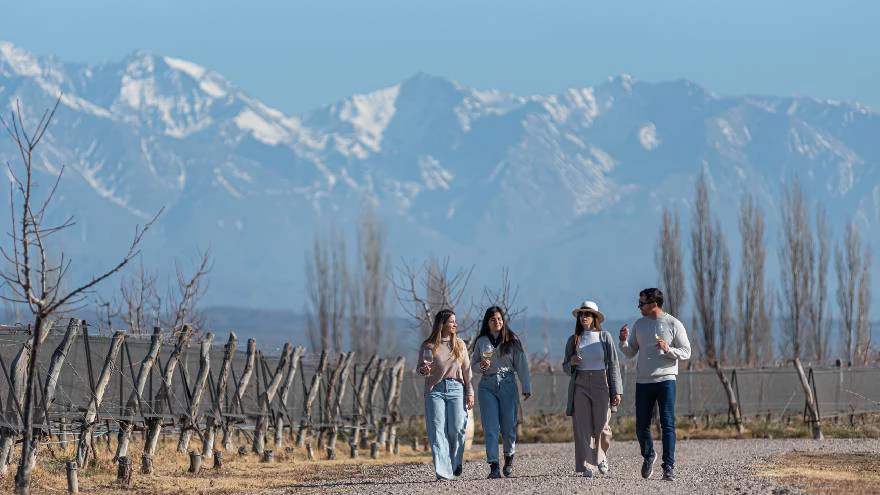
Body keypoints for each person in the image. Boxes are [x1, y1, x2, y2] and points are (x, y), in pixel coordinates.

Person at [618, 288, 691, 481]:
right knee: (641, 425)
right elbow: (630, 352)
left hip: (666, 380)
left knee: (667, 424)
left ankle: (668, 467)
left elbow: (686, 352)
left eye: (641, 303)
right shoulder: (640, 325)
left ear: (653, 304)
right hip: (643, 381)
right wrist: (624, 341)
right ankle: (649, 455)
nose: (639, 306)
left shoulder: (673, 323)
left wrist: (669, 350)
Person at [562, 300, 622, 478]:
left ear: (595, 317)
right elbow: (565, 366)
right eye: (581, 314)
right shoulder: (573, 340)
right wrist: (571, 363)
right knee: (583, 427)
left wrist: (616, 390)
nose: (583, 317)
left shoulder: (605, 337)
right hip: (580, 384)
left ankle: (601, 456)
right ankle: (588, 465)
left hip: (601, 383)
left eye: (587, 314)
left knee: (603, 427)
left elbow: (613, 364)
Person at [470, 305, 531, 478]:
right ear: (487, 322)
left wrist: (526, 387)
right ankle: (494, 466)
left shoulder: (512, 340)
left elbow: (522, 365)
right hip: (487, 385)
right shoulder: (481, 341)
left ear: (503, 321)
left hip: (508, 384)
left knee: (508, 426)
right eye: (492, 319)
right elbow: (472, 365)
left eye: (499, 319)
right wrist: (481, 366)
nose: (496, 322)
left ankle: (509, 458)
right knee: (490, 427)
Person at [417, 309, 475, 481]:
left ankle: (455, 462)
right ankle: (443, 473)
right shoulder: (428, 345)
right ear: (442, 324)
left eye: (455, 321)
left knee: (457, 429)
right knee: (437, 431)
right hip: (435, 391)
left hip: (457, 389)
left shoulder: (459, 344)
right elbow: (420, 368)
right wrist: (423, 369)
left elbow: (467, 370)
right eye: (451, 321)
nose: (455, 324)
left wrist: (470, 392)